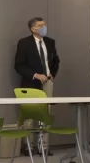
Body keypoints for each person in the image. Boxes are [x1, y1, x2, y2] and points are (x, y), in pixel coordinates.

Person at [14, 17, 60, 152]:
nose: (44, 27)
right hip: (30, 83)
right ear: (33, 29)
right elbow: (19, 65)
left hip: (47, 83)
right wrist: (35, 75)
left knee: (46, 114)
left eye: (44, 25)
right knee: (29, 115)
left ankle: (43, 147)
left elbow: (56, 61)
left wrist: (52, 74)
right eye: (41, 26)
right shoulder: (24, 43)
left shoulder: (50, 42)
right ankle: (28, 146)